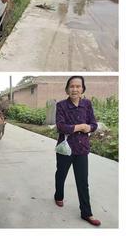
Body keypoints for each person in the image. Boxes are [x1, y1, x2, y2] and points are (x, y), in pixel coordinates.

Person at [54, 76, 101, 226]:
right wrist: (80, 127)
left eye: (78, 86)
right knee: (61, 174)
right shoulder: (61, 105)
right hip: (65, 149)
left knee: (83, 181)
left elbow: (93, 124)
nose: (75, 89)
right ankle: (58, 195)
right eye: (72, 86)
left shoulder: (87, 104)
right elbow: (60, 126)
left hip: (82, 149)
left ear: (82, 89)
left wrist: (90, 127)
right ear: (67, 89)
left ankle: (87, 213)